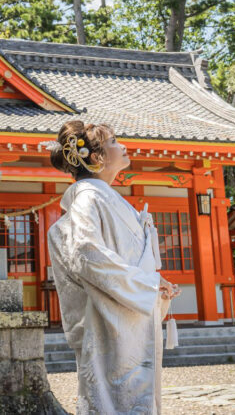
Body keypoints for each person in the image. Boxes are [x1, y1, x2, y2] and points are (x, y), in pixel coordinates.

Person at [46, 120, 181, 415]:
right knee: (115, 400)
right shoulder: (89, 197)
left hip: (128, 316)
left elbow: (122, 257)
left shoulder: (105, 198)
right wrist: (144, 286)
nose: (124, 146)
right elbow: (87, 253)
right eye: (115, 142)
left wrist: (154, 282)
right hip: (108, 322)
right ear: (97, 158)